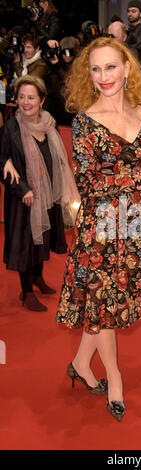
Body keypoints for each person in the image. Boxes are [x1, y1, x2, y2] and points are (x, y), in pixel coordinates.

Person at [55, 37, 141, 421]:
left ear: (126, 69)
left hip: (133, 223)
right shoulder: (84, 122)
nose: (104, 76)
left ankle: (81, 364)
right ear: (87, 75)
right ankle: (115, 378)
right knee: (104, 305)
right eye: (95, 68)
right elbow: (88, 183)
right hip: (100, 229)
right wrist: (137, 176)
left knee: (104, 304)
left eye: (110, 67)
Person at [0, 75, 80, 312]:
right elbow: (1, 161)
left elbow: (56, 159)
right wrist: (22, 189)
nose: (25, 102)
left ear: (42, 100)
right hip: (23, 199)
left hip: (48, 193)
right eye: (22, 97)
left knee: (43, 237)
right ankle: (26, 291)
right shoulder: (10, 128)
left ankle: (37, 277)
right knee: (26, 242)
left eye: (31, 97)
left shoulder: (49, 124)